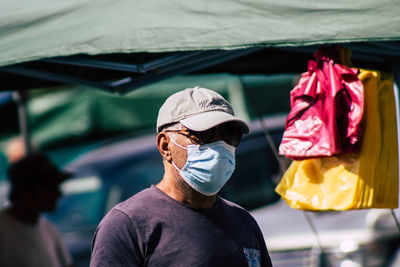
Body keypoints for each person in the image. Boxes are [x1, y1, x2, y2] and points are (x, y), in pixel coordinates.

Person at [90, 87, 273, 267]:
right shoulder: (127, 225)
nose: (219, 147)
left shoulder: (243, 221)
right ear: (165, 146)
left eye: (229, 136)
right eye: (203, 135)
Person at [0, 152, 74, 267]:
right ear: (26, 191)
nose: (58, 194)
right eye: (50, 187)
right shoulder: (3, 229)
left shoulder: (49, 229)